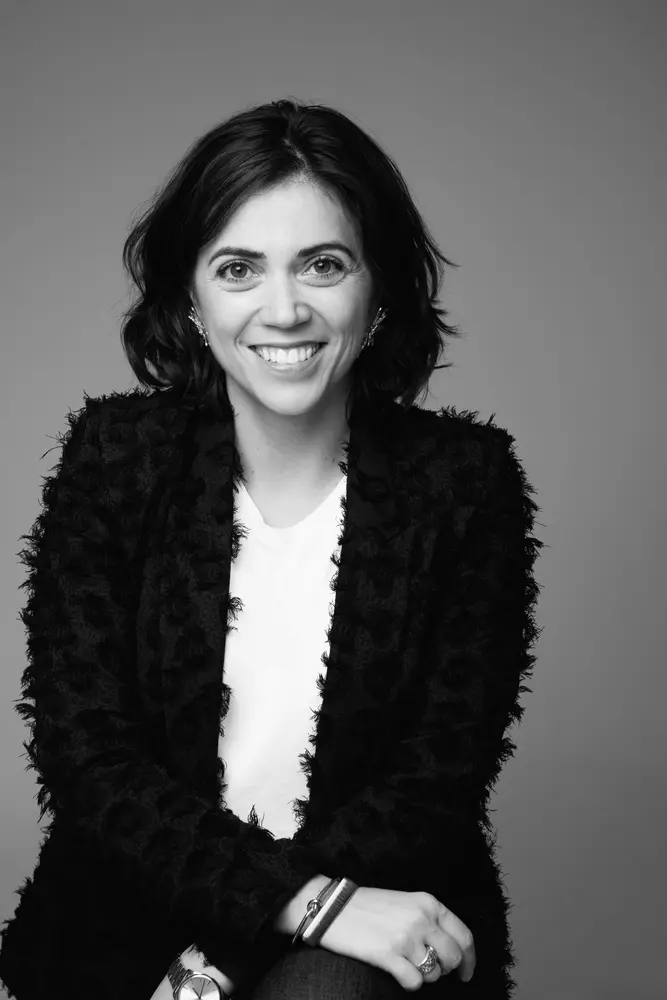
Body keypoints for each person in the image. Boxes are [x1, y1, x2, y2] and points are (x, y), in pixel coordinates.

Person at [0, 98, 543, 1000]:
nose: (284, 310)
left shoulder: (464, 482)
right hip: (127, 921)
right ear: (191, 298)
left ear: (377, 290)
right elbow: (89, 756)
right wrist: (286, 904)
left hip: (373, 916)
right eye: (239, 268)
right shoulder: (117, 460)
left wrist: (248, 944)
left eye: (323, 265)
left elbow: (437, 773)